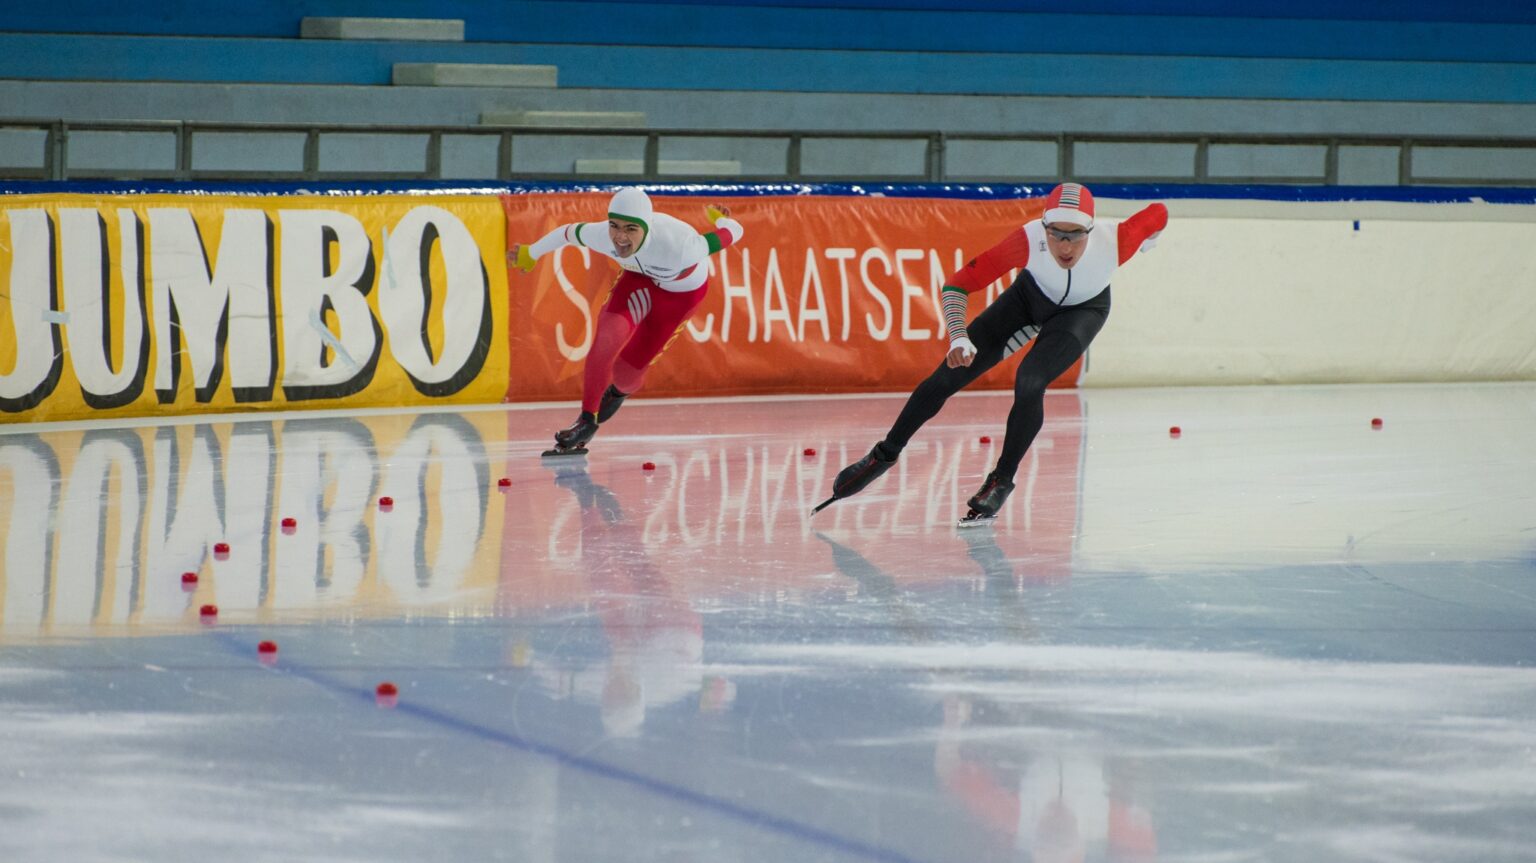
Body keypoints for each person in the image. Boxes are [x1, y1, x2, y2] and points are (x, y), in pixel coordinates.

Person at [826, 183, 1167, 522]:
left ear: (1091, 229)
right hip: (1027, 299)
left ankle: (1001, 480)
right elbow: (957, 284)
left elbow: (1159, 213)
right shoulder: (1027, 239)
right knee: (947, 376)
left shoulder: (1118, 241)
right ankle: (882, 456)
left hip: (1083, 311)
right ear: (1044, 226)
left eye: (1076, 235)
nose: (1065, 246)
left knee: (1030, 381)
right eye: (1056, 233)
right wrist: (958, 336)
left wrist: (1151, 237)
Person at [509, 187, 744, 455]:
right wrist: (532, 252)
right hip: (637, 282)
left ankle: (619, 393)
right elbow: (567, 232)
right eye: (615, 226)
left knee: (626, 375)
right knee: (604, 342)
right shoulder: (602, 236)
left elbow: (734, 233)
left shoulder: (682, 247)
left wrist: (723, 221)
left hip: (679, 297)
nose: (620, 237)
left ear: (647, 227)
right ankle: (586, 421)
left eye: (631, 229)